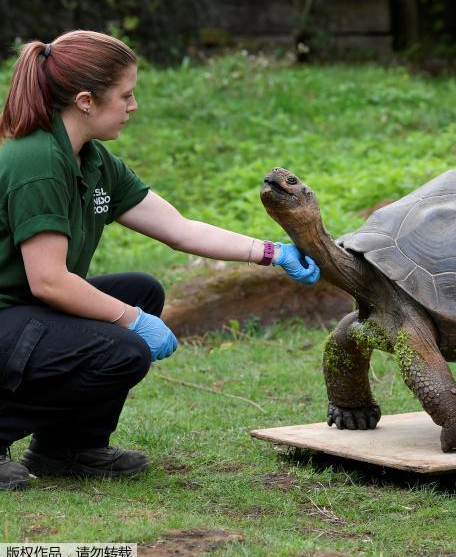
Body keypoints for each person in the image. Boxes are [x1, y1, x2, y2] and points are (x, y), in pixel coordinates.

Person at [0, 30, 320, 490]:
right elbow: (49, 281)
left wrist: (272, 253)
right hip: (9, 315)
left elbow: (177, 228)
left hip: (20, 316)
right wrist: (131, 321)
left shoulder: (89, 158)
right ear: (86, 101)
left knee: (141, 290)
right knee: (124, 347)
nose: (134, 106)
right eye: (126, 95)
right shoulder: (36, 162)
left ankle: (69, 447)